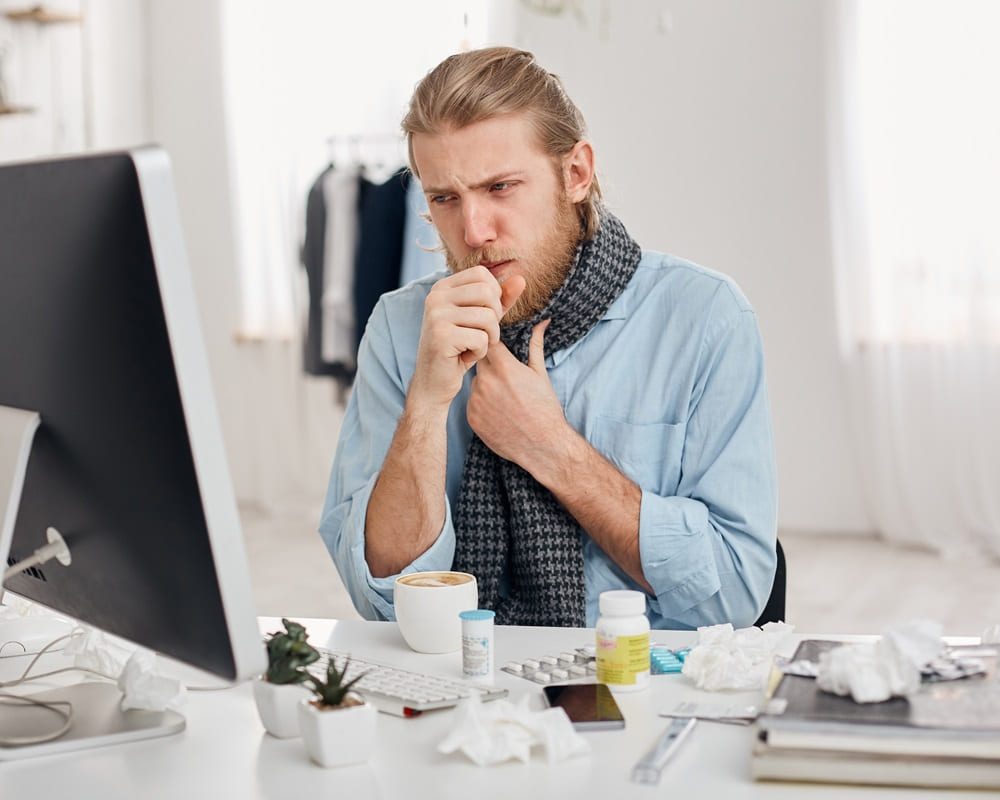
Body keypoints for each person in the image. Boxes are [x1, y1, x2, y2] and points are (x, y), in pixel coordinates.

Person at [320, 46, 778, 630]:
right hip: (461, 688)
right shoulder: (401, 327)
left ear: (576, 174)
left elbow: (734, 592)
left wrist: (549, 447)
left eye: (501, 187)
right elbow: (381, 593)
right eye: (444, 199)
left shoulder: (705, 318)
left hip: (638, 683)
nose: (474, 232)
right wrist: (428, 404)